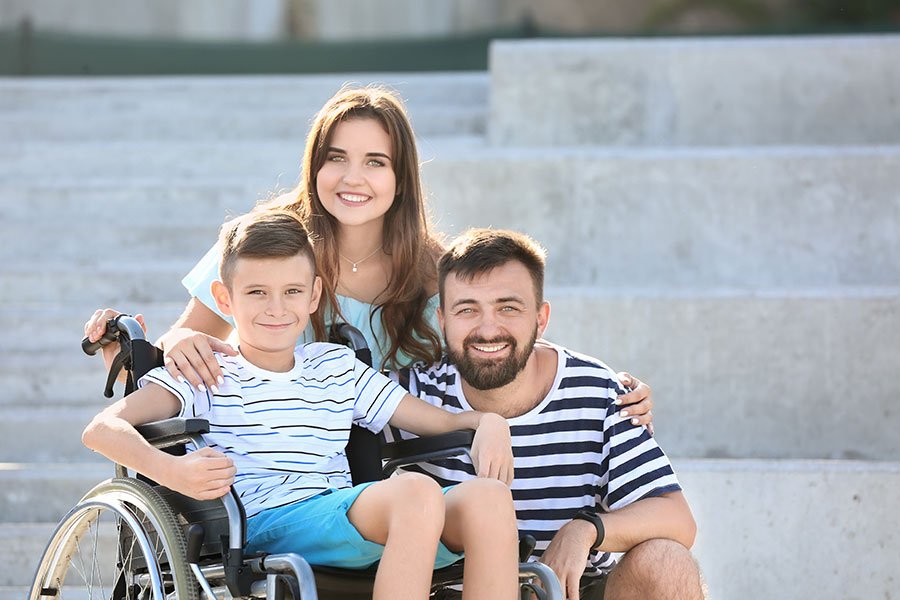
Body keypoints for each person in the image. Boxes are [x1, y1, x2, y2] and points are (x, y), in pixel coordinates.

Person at [84, 85, 656, 428]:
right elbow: (186, 337)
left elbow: (497, 340)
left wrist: (611, 389)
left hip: (397, 462)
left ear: (401, 178)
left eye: (375, 162)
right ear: (315, 166)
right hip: (271, 448)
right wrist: (170, 343)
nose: (352, 179)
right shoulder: (264, 244)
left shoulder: (435, 272)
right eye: (337, 158)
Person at [82, 211, 521, 600]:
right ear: (224, 299)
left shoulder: (335, 365)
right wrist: (171, 471)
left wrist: (489, 422)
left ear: (313, 296)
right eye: (257, 292)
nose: (276, 308)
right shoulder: (204, 372)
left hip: (344, 512)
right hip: (264, 522)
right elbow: (101, 429)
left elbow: (438, 421)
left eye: (292, 291)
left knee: (489, 498)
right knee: (417, 491)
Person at [385, 228, 704, 600]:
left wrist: (585, 530)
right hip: (455, 592)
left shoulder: (596, 391)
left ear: (541, 318)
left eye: (508, 308)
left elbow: (677, 518)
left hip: (573, 589)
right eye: (467, 309)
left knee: (666, 561)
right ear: (442, 320)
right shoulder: (412, 397)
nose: (488, 329)